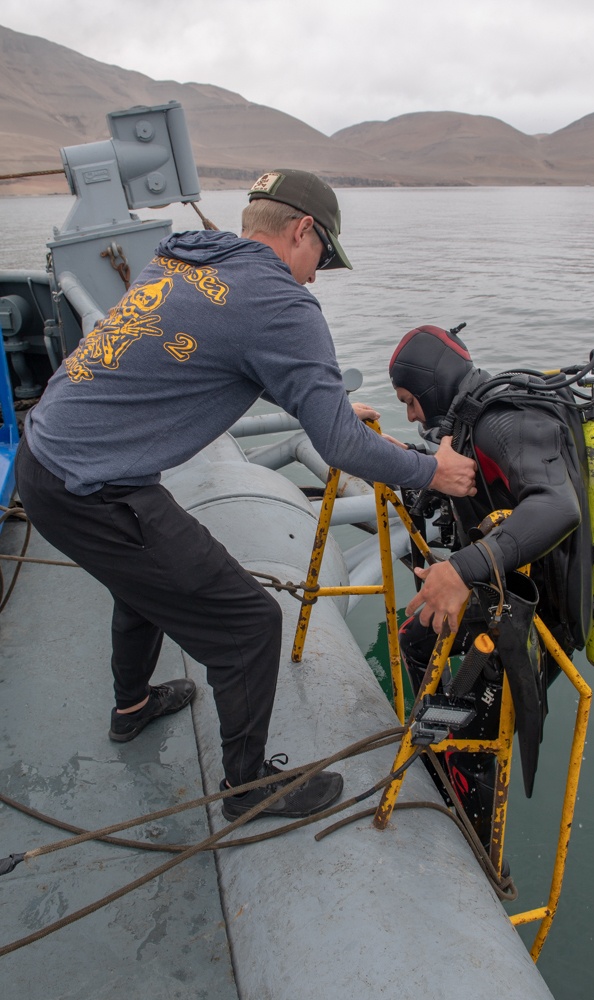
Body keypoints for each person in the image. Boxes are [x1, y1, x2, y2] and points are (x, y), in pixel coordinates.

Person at [14, 171, 477, 822]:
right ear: (301, 231)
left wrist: (323, 402)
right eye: (320, 259)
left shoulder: (185, 256)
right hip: (91, 488)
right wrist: (434, 472)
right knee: (249, 626)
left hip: (46, 457)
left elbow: (217, 352)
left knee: (141, 584)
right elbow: (342, 448)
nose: (315, 277)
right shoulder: (280, 303)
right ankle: (246, 788)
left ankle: (132, 707)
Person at [388, 323, 592, 845]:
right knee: (414, 638)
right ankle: (441, 762)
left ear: (432, 386)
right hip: (500, 595)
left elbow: (557, 507)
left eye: (410, 401)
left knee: (482, 732)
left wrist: (460, 569)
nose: (411, 413)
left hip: (534, 619)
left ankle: (478, 854)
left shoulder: (505, 422)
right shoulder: (468, 420)